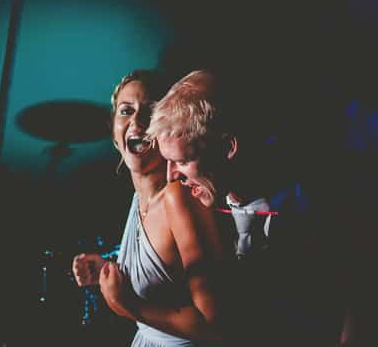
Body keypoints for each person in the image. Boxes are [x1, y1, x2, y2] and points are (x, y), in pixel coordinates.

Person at [146, 68, 350, 345]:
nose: (171, 175)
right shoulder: (203, 204)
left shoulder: (307, 203)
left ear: (228, 148)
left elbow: (354, 296)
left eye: (182, 161)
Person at [71, 70, 231, 346]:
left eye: (150, 111)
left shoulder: (177, 199)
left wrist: (127, 305)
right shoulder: (139, 198)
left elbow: (214, 327)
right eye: (126, 111)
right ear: (114, 134)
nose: (136, 120)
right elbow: (165, 267)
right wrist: (109, 267)